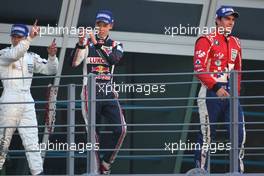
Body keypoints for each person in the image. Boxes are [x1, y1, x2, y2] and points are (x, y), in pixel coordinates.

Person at [71, 10, 127, 174]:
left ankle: (107, 163)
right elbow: (74, 63)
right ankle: (96, 172)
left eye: (104, 25)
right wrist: (81, 43)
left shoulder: (117, 45)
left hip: (108, 91)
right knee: (93, 135)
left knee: (121, 129)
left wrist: (96, 43)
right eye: (98, 25)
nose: (101, 28)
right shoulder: (87, 44)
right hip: (90, 91)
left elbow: (113, 60)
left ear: (111, 26)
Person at [0, 22, 58, 175]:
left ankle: (38, 173)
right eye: (14, 36)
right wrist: (30, 38)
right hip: (9, 100)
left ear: (24, 37)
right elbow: (16, 53)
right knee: (3, 142)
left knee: (32, 142)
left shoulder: (32, 57)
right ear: (11, 37)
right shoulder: (4, 54)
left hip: (27, 101)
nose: (17, 39)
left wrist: (52, 56)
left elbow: (50, 69)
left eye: (20, 36)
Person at [193, 6, 246, 173]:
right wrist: (215, 87)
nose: (230, 22)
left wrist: (235, 93)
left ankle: (237, 171)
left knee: (239, 134)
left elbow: (237, 72)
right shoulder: (206, 39)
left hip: (231, 94)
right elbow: (199, 68)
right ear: (217, 20)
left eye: (232, 19)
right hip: (210, 91)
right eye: (226, 18)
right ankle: (201, 171)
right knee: (207, 136)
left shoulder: (236, 42)